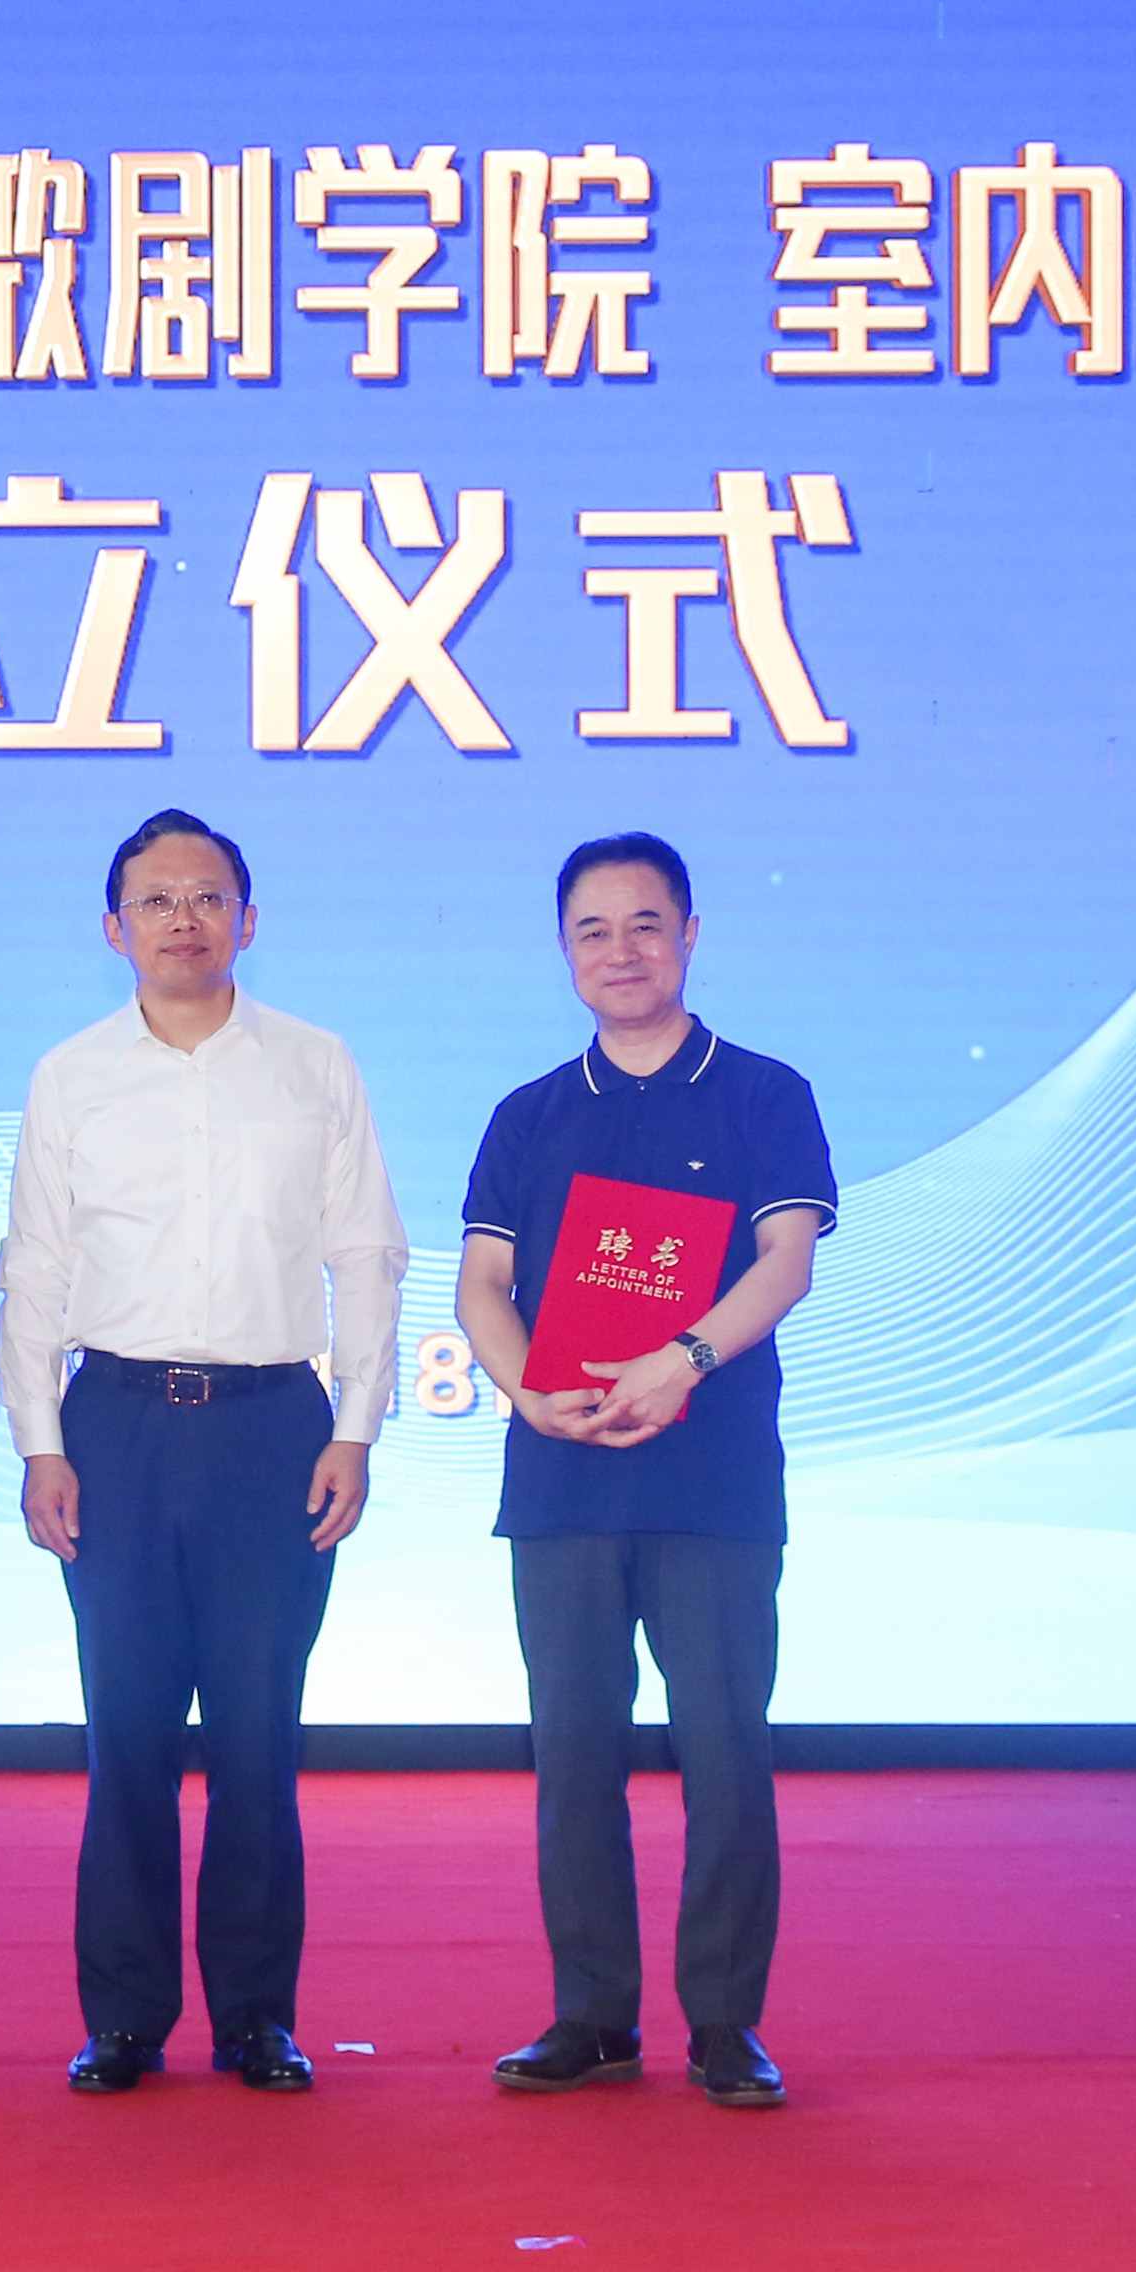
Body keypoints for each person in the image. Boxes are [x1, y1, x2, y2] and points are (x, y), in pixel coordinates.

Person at [1, 809, 406, 2094]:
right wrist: (38, 1440)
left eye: (208, 895)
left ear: (248, 916)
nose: (183, 917)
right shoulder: (71, 1074)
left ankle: (255, 2017)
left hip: (272, 1429)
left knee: (256, 1737)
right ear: (113, 926)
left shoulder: (314, 1063)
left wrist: (355, 1425)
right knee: (123, 1732)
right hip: (115, 1427)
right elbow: (35, 1266)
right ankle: (123, 2017)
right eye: (156, 899)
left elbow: (365, 1252)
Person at [449, 831, 836, 2110]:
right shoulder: (530, 1114)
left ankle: (725, 2021)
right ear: (565, 951)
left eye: (645, 924)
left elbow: (786, 1259)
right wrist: (527, 1390)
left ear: (689, 933)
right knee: (572, 1752)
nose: (621, 951)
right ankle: (593, 2013)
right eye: (593, 930)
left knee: (724, 1746)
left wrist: (685, 1357)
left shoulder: (763, 1093)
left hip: (711, 1478)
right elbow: (482, 1284)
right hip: (561, 1480)